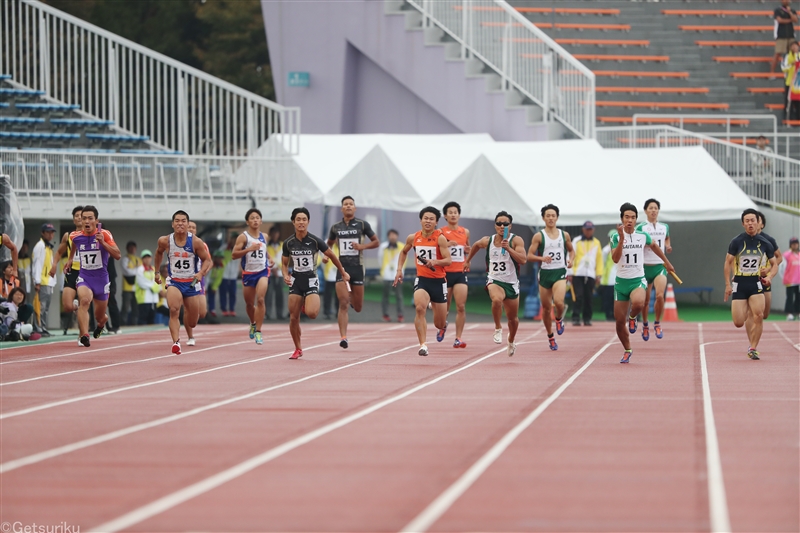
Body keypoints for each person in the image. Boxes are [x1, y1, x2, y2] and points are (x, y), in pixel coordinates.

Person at [282, 207, 349, 360]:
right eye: (298, 219)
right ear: (293, 222)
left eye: (304, 219)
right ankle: (298, 348)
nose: (301, 222)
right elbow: (284, 264)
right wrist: (285, 275)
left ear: (308, 222)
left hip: (311, 279)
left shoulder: (315, 241)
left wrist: (343, 272)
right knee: (293, 317)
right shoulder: (288, 243)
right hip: (296, 280)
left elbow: (331, 255)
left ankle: (306, 301)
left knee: (312, 314)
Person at [611, 203, 674, 363]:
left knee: (639, 303)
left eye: (632, 217)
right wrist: (621, 241)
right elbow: (615, 259)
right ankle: (627, 349)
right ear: (622, 219)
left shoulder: (642, 235)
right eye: (627, 217)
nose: (630, 220)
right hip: (621, 282)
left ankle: (633, 317)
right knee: (619, 321)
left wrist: (666, 262)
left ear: (636, 219)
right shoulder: (616, 237)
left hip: (638, 279)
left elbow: (655, 246)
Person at [464, 211, 527, 356]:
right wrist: (468, 260)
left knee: (513, 319)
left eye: (505, 224)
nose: (502, 226)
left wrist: (508, 249)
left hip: (511, 282)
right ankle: (498, 327)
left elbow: (523, 260)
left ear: (510, 226)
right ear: (495, 225)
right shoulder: (488, 241)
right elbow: (476, 245)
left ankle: (511, 340)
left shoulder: (516, 241)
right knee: (497, 299)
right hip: (494, 279)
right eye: (499, 223)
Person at [394, 206, 452, 356]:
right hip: (422, 280)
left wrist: (434, 262)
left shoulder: (440, 238)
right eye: (425, 218)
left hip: (439, 282)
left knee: (438, 323)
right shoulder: (413, 238)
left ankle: (443, 324)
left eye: (431, 219)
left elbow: (448, 260)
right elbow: (404, 252)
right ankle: (423, 345)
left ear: (436, 222)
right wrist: (399, 270)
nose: (428, 221)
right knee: (420, 308)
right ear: (420, 220)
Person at [153, 211, 212, 355]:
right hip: (175, 282)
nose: (180, 223)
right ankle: (176, 342)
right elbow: (159, 253)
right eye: (177, 221)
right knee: (173, 310)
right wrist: (156, 272)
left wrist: (201, 273)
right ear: (173, 224)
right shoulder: (164, 241)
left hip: (191, 283)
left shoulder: (196, 242)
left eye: (183, 221)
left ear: (187, 223)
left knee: (193, 321)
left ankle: (189, 329)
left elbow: (207, 260)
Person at [324, 196, 379, 349]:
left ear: (355, 208)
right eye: (345, 204)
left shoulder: (362, 225)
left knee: (359, 306)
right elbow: (328, 243)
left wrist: (362, 247)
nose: (348, 206)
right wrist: (325, 255)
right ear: (342, 208)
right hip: (342, 268)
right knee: (343, 303)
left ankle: (352, 298)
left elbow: (376, 242)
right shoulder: (336, 227)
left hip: (358, 268)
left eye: (351, 204)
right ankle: (343, 337)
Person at [724, 208, 779, 360]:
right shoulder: (736, 241)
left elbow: (775, 264)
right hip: (740, 282)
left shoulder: (766, 243)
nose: (750, 224)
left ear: (758, 222)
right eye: (747, 221)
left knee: (759, 315)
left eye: (752, 221)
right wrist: (728, 285)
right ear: (743, 224)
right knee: (738, 322)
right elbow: (727, 263)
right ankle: (751, 342)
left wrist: (769, 277)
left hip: (756, 282)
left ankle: (753, 347)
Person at [69, 206, 121, 347]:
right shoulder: (75, 236)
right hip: (85, 277)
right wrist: (69, 260)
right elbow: (74, 246)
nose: (86, 221)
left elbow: (117, 255)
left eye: (90, 218)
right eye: (83, 218)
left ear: (96, 220)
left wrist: (103, 243)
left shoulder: (104, 234)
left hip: (101, 280)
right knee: (84, 301)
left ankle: (101, 324)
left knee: (100, 316)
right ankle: (85, 335)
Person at [527, 204, 575, 351]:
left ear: (557, 217)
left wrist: (571, 260)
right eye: (548, 215)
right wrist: (541, 258)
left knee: (559, 302)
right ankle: (550, 336)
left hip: (560, 271)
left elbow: (571, 251)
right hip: (545, 274)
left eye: (553, 215)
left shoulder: (564, 235)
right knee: (547, 309)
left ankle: (559, 319)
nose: (550, 218)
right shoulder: (538, 236)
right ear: (543, 218)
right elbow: (529, 256)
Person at [231, 209, 270, 345]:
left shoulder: (264, 236)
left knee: (260, 299)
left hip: (262, 272)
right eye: (252, 218)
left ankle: (258, 331)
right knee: (249, 304)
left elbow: (265, 250)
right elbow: (234, 255)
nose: (255, 220)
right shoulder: (243, 237)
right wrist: (248, 249)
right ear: (247, 221)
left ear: (261, 221)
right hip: (248, 273)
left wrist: (270, 258)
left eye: (257, 218)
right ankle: (253, 323)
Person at [637, 199, 673, 341]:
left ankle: (657, 323)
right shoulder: (641, 228)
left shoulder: (664, 227)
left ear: (658, 210)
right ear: (645, 211)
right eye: (650, 208)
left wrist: (668, 246)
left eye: (656, 208)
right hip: (645, 267)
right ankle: (645, 324)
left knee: (659, 296)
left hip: (659, 266)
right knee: (645, 301)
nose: (653, 210)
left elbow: (667, 238)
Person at [441, 201, 471, 348]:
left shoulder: (465, 232)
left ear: (459, 215)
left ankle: (458, 338)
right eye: (450, 212)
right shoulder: (440, 232)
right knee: (444, 307)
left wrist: (468, 252)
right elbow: (436, 249)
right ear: (445, 216)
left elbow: (467, 249)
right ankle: (443, 325)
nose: (453, 215)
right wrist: (447, 245)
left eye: (455, 212)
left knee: (461, 306)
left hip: (460, 273)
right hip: (445, 273)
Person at [49, 206, 85, 322]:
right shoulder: (68, 236)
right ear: (73, 219)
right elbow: (59, 252)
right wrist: (54, 265)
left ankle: (85, 329)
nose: (79, 218)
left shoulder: (92, 234)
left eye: (81, 216)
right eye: (76, 216)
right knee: (67, 306)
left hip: (86, 273)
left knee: (85, 303)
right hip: (72, 272)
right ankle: (76, 307)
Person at [570, 221, 603, 327]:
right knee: (578, 296)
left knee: (589, 297)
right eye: (587, 229)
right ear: (583, 229)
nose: (589, 231)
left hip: (590, 274)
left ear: (593, 230)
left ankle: (587, 318)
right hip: (578, 273)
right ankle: (575, 317)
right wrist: (570, 272)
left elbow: (599, 259)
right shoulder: (577, 241)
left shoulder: (597, 242)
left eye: (590, 229)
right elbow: (571, 255)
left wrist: (599, 274)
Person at [184, 220, 210, 345]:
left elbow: (208, 261)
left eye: (194, 227)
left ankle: (191, 320)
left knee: (202, 312)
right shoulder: (178, 243)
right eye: (189, 227)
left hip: (198, 279)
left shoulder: (202, 244)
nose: (192, 229)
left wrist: (203, 272)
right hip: (184, 279)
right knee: (188, 309)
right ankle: (190, 336)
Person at [755, 211, 783, 321]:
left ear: (762, 224)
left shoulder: (769, 240)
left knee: (765, 314)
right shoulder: (743, 239)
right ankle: (752, 336)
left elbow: (779, 257)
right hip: (749, 278)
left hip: (764, 278)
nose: (754, 223)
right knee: (754, 312)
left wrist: (768, 270)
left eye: (758, 220)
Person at [31, 222, 57, 336]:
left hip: (48, 281)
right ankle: (38, 328)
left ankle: (43, 327)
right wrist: (37, 281)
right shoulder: (40, 246)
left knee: (45, 307)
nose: (50, 235)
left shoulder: (48, 247)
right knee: (40, 306)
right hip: (42, 281)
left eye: (52, 233)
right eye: (48, 232)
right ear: (42, 233)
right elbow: (37, 264)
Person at [379, 229, 405, 322]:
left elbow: (404, 260)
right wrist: (382, 271)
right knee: (385, 296)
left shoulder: (402, 246)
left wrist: (401, 271)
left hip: (397, 274)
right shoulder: (383, 247)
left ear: (397, 236)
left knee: (399, 296)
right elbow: (380, 259)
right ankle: (385, 314)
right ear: (388, 236)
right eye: (391, 235)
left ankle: (400, 314)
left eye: (394, 235)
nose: (393, 237)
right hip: (386, 274)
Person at [135, 249, 163, 325]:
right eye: (145, 257)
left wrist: (156, 287)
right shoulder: (140, 269)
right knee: (142, 318)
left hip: (154, 299)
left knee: (152, 319)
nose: (147, 259)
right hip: (144, 299)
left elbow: (159, 281)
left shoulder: (154, 269)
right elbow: (141, 283)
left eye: (148, 257)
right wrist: (153, 286)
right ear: (142, 259)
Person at [265, 226, 285, 320]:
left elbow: (285, 258)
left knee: (280, 294)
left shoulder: (283, 245)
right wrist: (272, 268)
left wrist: (278, 268)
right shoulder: (266, 246)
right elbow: (265, 258)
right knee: (268, 294)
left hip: (280, 273)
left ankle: (279, 313)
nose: (274, 235)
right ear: (270, 234)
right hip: (269, 273)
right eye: (273, 233)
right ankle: (267, 313)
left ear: (279, 234)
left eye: (276, 233)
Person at [772, 0, 798, 73]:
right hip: (781, 35)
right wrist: (790, 20)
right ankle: (772, 72)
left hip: (790, 34)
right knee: (778, 53)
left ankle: (792, 70)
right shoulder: (778, 10)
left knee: (793, 53)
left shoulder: (792, 10)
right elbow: (779, 20)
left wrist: (789, 12)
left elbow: (795, 20)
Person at [120, 241, 141, 325]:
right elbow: (127, 272)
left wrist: (135, 271)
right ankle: (123, 324)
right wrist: (137, 270)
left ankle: (134, 324)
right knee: (125, 307)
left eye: (133, 247)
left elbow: (142, 272)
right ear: (127, 248)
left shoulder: (138, 260)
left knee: (136, 308)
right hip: (127, 288)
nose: (132, 249)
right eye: (130, 247)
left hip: (137, 288)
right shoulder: (125, 259)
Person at [600, 229, 618, 322]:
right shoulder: (606, 250)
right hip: (608, 279)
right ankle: (608, 315)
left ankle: (616, 315)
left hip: (618, 277)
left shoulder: (620, 247)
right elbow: (602, 263)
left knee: (617, 299)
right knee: (608, 299)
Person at [750, 137, 774, 204]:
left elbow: (772, 160)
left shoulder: (769, 150)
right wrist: (763, 163)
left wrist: (768, 163)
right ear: (757, 141)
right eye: (759, 140)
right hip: (758, 176)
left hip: (767, 176)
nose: (761, 141)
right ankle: (759, 205)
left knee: (767, 192)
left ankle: (767, 205)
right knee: (758, 193)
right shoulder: (754, 150)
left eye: (763, 140)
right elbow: (755, 161)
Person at [219, 234, 239, 317]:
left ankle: (232, 309)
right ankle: (224, 309)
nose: (234, 241)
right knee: (223, 293)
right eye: (233, 239)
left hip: (233, 275)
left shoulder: (239, 248)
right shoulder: (224, 248)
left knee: (233, 293)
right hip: (224, 274)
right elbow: (218, 256)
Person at [781, 40, 800, 120]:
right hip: (789, 83)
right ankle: (788, 120)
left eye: (796, 46)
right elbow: (783, 68)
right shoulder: (787, 57)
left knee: (798, 103)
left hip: (798, 84)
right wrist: (791, 65)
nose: (795, 47)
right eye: (793, 46)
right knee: (789, 103)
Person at [783, 237, 800, 319]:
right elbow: (782, 268)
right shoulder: (787, 255)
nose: (795, 245)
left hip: (798, 281)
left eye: (796, 243)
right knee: (790, 297)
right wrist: (784, 277)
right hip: (789, 280)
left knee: (798, 296)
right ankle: (789, 312)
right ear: (790, 245)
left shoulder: (799, 254)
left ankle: (798, 312)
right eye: (793, 244)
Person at [322, 243, 339, 319]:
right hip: (329, 275)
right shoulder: (329, 245)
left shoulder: (342, 246)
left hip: (339, 275)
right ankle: (327, 312)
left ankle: (338, 311)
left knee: (339, 296)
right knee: (327, 295)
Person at [206, 251, 225, 318]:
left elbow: (219, 278)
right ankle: (204, 310)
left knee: (212, 296)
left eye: (221, 258)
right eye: (218, 258)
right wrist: (205, 287)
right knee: (204, 296)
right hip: (206, 281)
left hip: (213, 282)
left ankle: (212, 309)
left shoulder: (221, 266)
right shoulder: (210, 265)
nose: (219, 260)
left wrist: (214, 287)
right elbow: (206, 276)